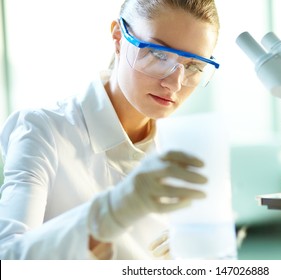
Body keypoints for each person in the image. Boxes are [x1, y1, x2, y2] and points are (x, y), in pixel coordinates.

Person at [0, 0, 220, 259]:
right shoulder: (41, 130)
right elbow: (8, 258)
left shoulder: (179, 149)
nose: (174, 82)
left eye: (194, 66)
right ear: (118, 38)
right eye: (159, 54)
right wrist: (112, 212)